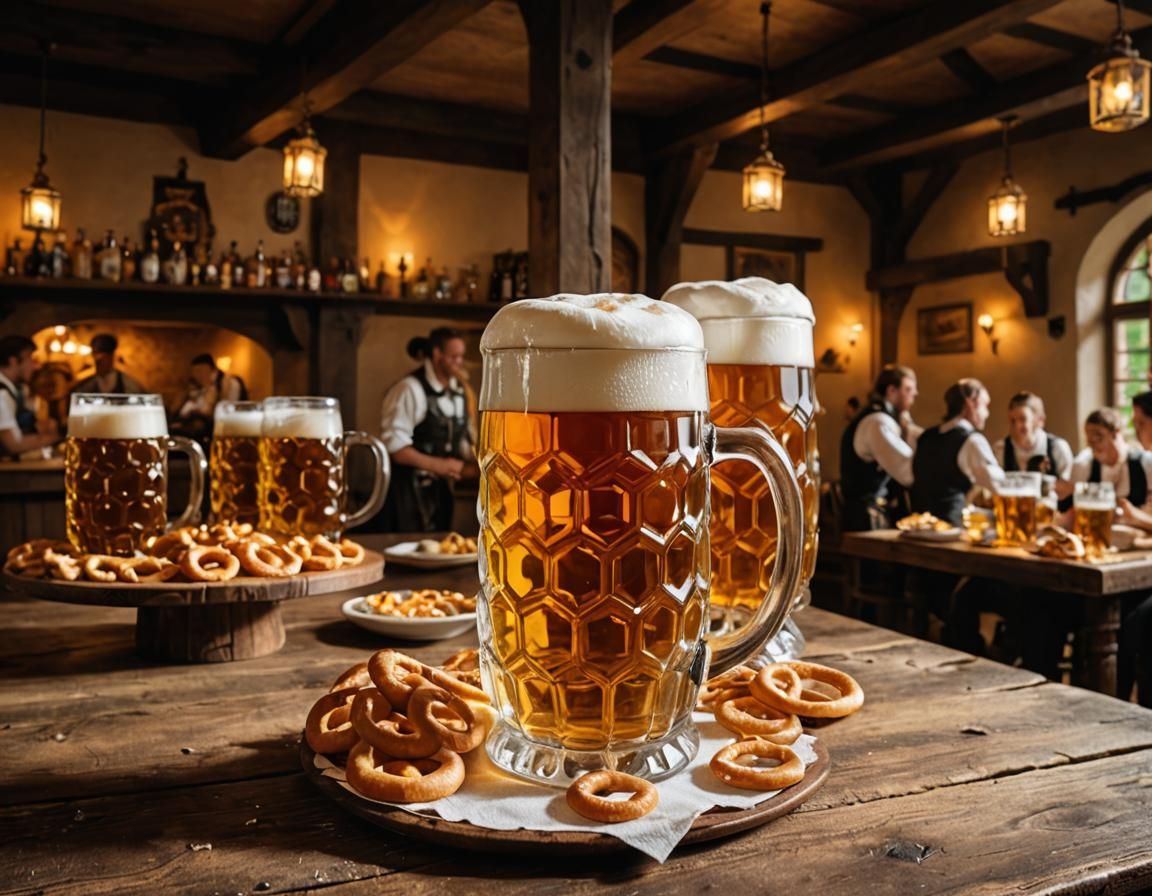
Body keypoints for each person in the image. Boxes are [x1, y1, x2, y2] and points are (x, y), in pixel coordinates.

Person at [378, 327, 477, 532]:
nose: (460, 362)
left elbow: (462, 438)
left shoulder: (460, 392)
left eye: (461, 357)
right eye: (454, 357)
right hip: (408, 494)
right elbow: (396, 447)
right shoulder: (409, 388)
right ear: (437, 354)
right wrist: (439, 465)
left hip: (442, 492)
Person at [911, 378, 1004, 526]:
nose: (987, 413)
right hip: (950, 530)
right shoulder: (972, 440)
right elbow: (998, 485)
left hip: (917, 526)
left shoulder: (926, 436)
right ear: (971, 403)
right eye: (985, 405)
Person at [839, 365, 919, 531]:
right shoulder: (878, 421)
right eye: (908, 389)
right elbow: (907, 472)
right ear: (891, 391)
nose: (915, 393)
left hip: (871, 515)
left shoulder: (881, 418)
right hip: (867, 520)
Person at [0, 335, 59, 457]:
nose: (35, 366)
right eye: (31, 359)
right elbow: (13, 444)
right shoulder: (2, 394)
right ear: (13, 361)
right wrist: (55, 437)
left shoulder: (14, 390)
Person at [993, 391, 1074, 479]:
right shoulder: (1000, 449)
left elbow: (1068, 483)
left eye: (1023, 419)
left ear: (1040, 420)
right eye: (1012, 421)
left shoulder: (1057, 448)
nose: (1017, 426)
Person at [174, 354, 248, 423]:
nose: (195, 376)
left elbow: (228, 413)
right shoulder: (206, 387)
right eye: (194, 372)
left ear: (209, 369)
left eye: (198, 371)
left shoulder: (230, 383)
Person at [71, 333, 146, 395]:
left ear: (111, 357)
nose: (99, 365)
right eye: (97, 361)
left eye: (102, 360)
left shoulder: (126, 381)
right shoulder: (88, 382)